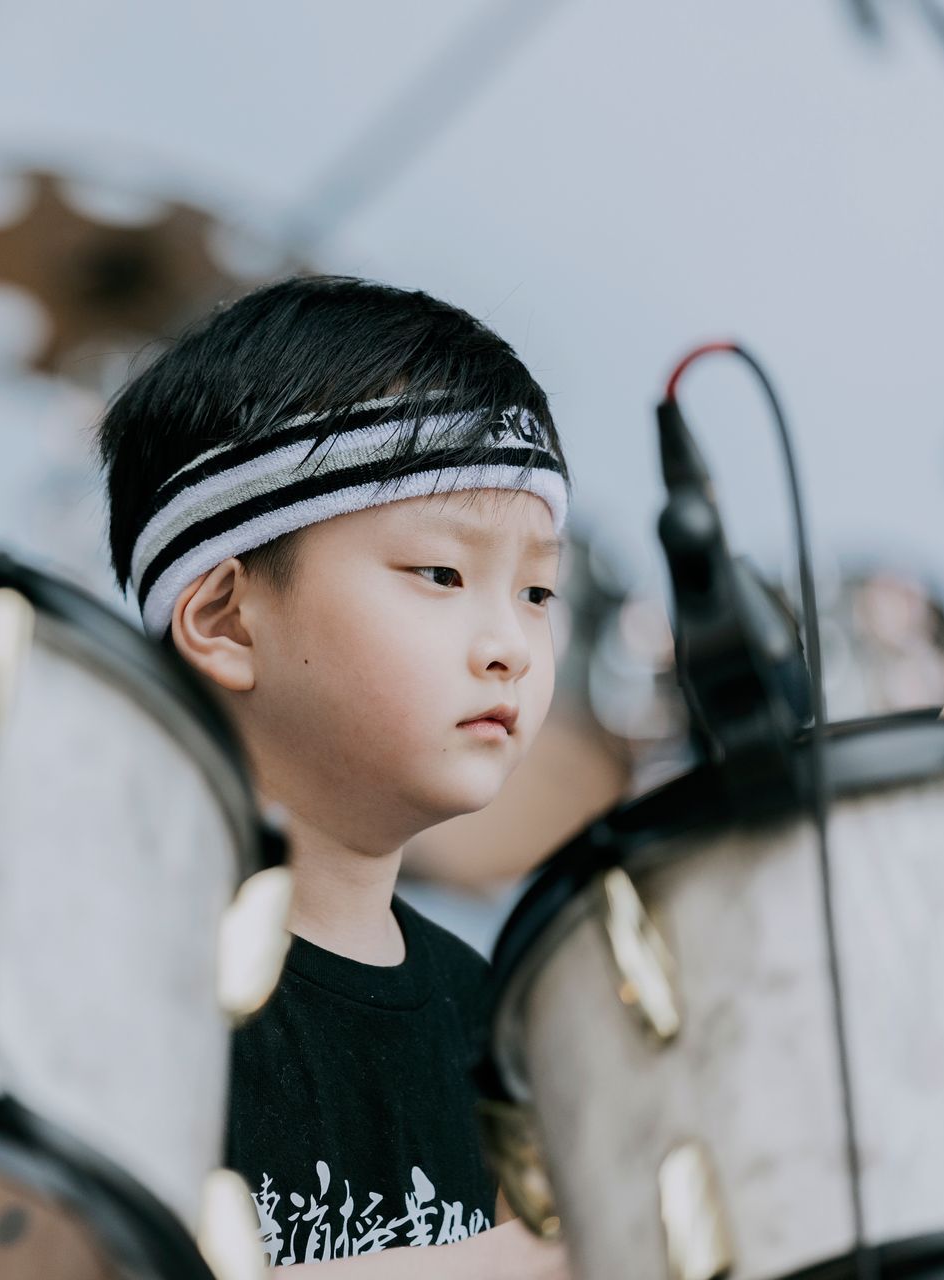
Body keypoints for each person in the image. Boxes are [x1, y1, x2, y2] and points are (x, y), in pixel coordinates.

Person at [96, 276, 572, 1276]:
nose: (511, 645)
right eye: (442, 573)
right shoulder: (106, 957)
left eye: (538, 591)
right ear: (226, 618)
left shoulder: (493, 1020)